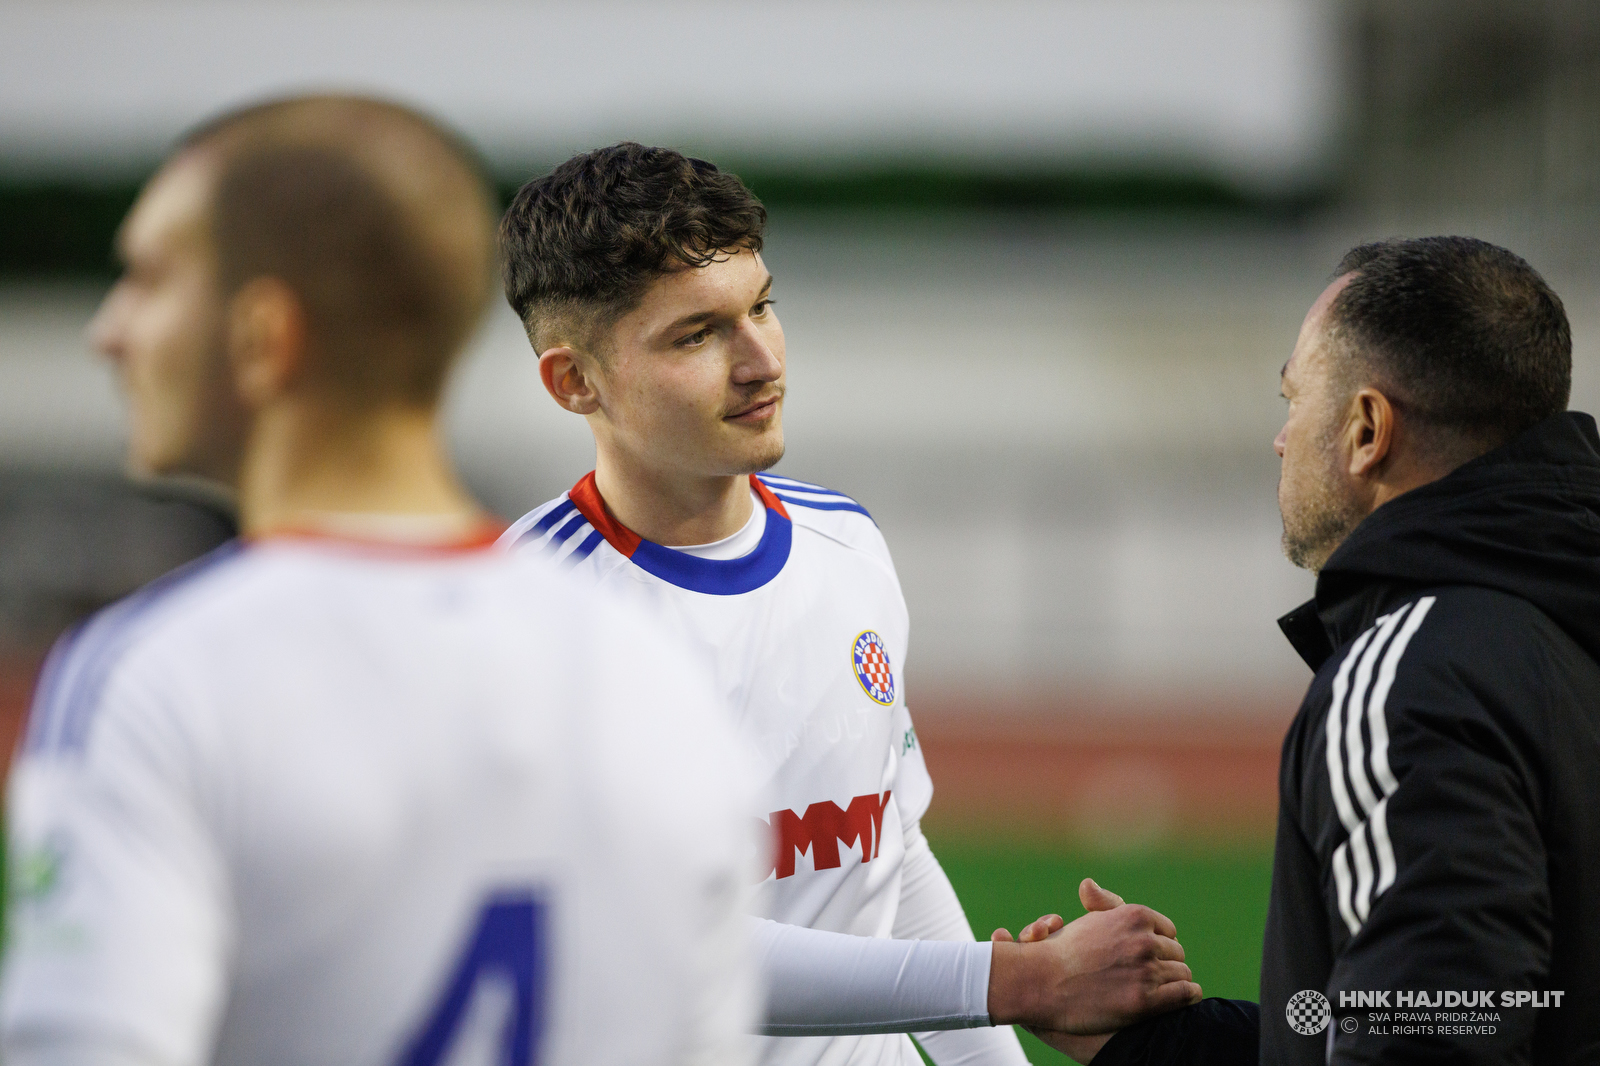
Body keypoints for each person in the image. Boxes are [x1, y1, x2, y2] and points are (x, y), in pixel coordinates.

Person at [0, 97, 756, 1066]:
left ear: (262, 335)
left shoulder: (155, 676)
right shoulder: (651, 672)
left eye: (148, 278)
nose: (110, 329)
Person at [496, 142, 1203, 1066]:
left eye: (761, 306)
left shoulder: (847, 543)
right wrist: (1022, 983)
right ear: (574, 381)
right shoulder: (523, 617)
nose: (760, 361)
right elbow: (664, 952)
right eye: (697, 334)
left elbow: (887, 853)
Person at [1050, 236, 1600, 1066]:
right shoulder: (1556, 626)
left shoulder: (1411, 684)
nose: (1281, 439)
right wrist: (1158, 1049)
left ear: (1367, 429)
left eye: (1292, 398)